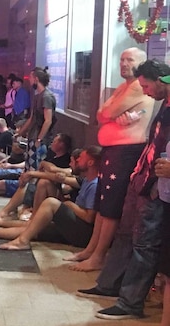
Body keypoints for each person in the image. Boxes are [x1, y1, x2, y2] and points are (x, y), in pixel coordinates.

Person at [77, 61, 170, 319]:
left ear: (162, 79)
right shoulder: (164, 104)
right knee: (127, 234)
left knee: (145, 244)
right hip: (145, 177)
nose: (146, 92)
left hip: (156, 184)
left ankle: (130, 302)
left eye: (148, 86)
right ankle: (111, 285)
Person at [66, 47, 153, 272]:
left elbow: (107, 113)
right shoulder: (124, 87)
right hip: (114, 152)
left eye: (130, 60)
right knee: (103, 204)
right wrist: (111, 117)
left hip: (126, 152)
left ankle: (98, 256)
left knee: (110, 207)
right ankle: (91, 250)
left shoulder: (136, 88)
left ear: (141, 63)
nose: (124, 64)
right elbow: (102, 113)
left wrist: (110, 116)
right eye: (122, 59)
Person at [0, 145, 99, 251]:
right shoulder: (86, 180)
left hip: (82, 232)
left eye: (81, 158)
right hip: (74, 225)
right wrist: (32, 173)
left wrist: (70, 205)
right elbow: (57, 177)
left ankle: (22, 241)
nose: (77, 160)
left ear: (90, 162)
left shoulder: (94, 185)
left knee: (51, 203)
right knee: (33, 228)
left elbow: (89, 217)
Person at [15, 67, 56, 172]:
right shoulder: (37, 96)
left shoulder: (46, 96)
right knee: (29, 165)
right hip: (33, 135)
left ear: (36, 79)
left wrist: (39, 139)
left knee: (35, 167)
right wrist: (20, 132)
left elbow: (48, 120)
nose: (29, 80)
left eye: (31, 78)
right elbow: (31, 118)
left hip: (40, 138)